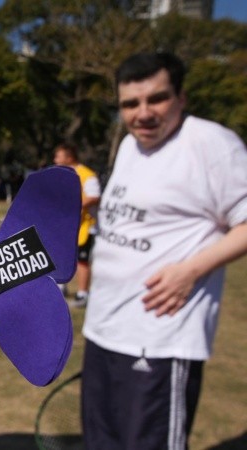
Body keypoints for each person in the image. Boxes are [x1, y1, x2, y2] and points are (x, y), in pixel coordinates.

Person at [81, 52, 247, 450]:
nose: (143, 114)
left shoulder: (212, 144)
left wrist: (190, 271)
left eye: (156, 99)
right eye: (129, 104)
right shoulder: (128, 147)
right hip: (104, 331)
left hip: (160, 339)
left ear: (181, 97)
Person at [52, 142, 100, 308]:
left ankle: (82, 294)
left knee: (82, 261)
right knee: (60, 256)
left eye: (59, 156)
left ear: (69, 157)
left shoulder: (86, 174)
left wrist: (73, 206)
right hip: (66, 226)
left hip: (85, 227)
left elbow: (94, 196)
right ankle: (60, 287)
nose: (55, 159)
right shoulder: (63, 174)